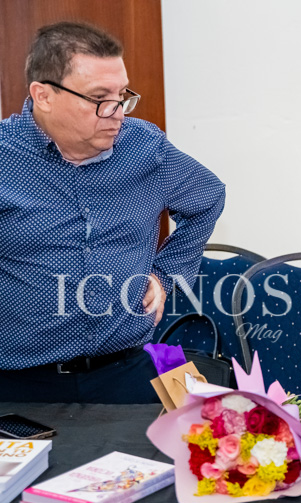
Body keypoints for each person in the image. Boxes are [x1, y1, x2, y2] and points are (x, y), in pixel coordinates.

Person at [0, 22, 225, 403]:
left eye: (122, 95)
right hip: (19, 383)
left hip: (130, 369)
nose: (117, 112)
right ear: (44, 95)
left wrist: (166, 274)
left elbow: (208, 198)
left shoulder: (145, 147)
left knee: (200, 449)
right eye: (99, 97)